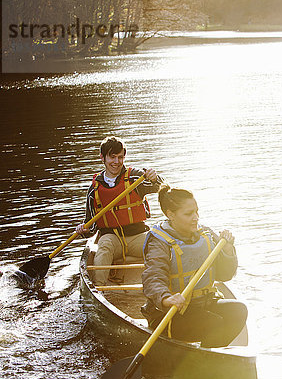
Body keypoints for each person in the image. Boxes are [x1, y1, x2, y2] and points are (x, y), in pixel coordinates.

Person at [141, 185, 247, 347]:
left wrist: (227, 250)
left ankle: (208, 357)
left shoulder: (206, 234)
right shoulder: (159, 242)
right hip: (169, 314)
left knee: (239, 311)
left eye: (196, 211)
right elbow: (153, 278)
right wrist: (166, 298)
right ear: (170, 215)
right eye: (188, 214)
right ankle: (206, 360)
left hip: (202, 303)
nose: (196, 217)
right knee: (214, 323)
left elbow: (225, 275)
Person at [75, 136, 162, 282]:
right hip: (112, 239)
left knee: (159, 246)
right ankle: (101, 289)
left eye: (120, 157)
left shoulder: (135, 177)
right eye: (112, 157)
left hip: (137, 236)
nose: (116, 162)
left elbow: (160, 187)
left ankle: (161, 284)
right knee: (104, 247)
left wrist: (155, 178)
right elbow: (91, 226)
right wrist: (83, 231)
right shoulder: (94, 189)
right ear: (102, 157)